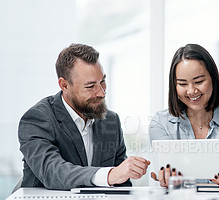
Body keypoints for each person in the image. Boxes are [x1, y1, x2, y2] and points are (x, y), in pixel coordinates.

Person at [18, 43, 150, 190]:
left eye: (103, 82)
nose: (101, 92)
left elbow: (122, 184)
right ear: (64, 85)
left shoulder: (110, 120)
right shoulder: (37, 119)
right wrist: (109, 175)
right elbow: (52, 172)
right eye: (90, 86)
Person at [149, 44, 219, 187]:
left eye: (199, 82)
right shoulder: (160, 122)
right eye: (182, 84)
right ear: (174, 86)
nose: (191, 91)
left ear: (213, 79)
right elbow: (166, 171)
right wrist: (167, 177)